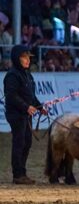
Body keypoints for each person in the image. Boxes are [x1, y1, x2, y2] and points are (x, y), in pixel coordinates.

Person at [4, 46, 46, 184]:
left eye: (28, 57)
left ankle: (22, 172)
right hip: (16, 114)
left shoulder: (28, 75)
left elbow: (31, 96)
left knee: (27, 142)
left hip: (26, 114)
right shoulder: (12, 75)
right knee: (19, 142)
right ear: (17, 58)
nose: (28, 60)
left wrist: (40, 107)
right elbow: (11, 96)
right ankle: (17, 174)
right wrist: (26, 107)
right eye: (24, 57)